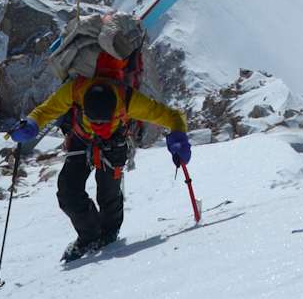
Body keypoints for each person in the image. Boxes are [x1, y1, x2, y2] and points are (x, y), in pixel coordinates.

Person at [10, 75, 192, 262]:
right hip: (83, 138)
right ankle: (91, 236)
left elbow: (174, 116)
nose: (98, 126)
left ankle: (108, 234)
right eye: (95, 121)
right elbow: (45, 111)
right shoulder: (76, 90)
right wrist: (31, 123)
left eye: (103, 121)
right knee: (68, 191)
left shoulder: (128, 99)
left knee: (108, 193)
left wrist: (179, 137)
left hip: (109, 142)